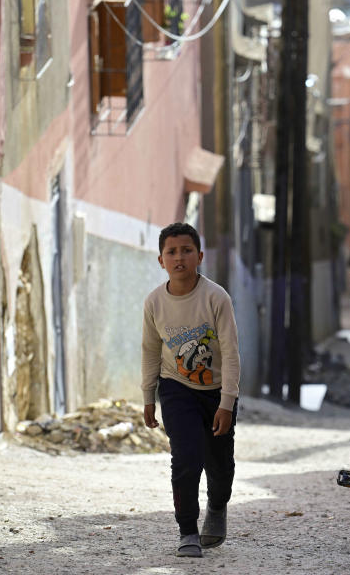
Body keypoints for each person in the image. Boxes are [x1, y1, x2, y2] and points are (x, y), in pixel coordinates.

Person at [142, 222, 241, 557]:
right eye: (171, 252)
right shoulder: (154, 302)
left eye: (186, 250)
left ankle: (217, 506)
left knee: (220, 464)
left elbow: (229, 352)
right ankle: (187, 530)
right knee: (186, 457)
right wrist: (147, 398)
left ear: (199, 256)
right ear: (161, 260)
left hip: (216, 391)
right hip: (176, 387)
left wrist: (227, 402)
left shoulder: (216, 298)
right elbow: (150, 350)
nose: (179, 257)